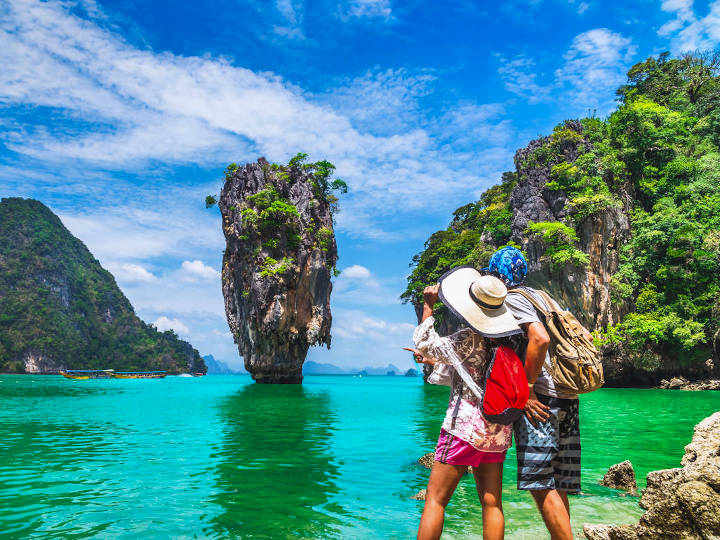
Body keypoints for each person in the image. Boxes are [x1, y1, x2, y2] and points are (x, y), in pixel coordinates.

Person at [405, 268, 524, 540]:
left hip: (464, 429)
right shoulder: (512, 339)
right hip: (499, 429)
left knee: (435, 500)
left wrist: (427, 305)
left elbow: (424, 343)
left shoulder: (469, 339)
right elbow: (473, 374)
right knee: (492, 503)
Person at [486, 246, 581, 540]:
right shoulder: (541, 296)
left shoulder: (514, 300)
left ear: (495, 275)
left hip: (542, 399)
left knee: (539, 483)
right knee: (558, 482)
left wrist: (526, 390)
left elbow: (539, 339)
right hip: (567, 395)